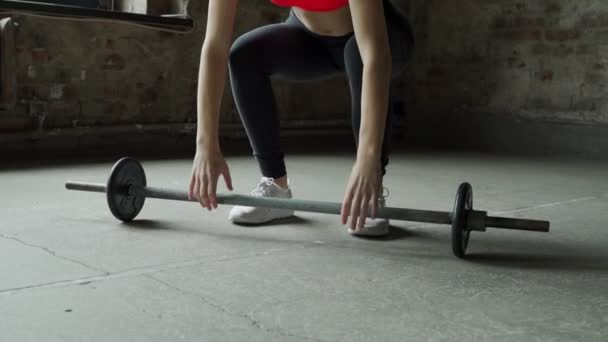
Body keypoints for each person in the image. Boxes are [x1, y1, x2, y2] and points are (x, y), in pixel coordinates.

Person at [188, 0, 414, 236]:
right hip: (310, 39)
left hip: (381, 39)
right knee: (244, 55)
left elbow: (374, 55)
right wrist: (205, 146)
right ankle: (276, 185)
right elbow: (215, 47)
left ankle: (371, 189)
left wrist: (369, 160)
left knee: (357, 52)